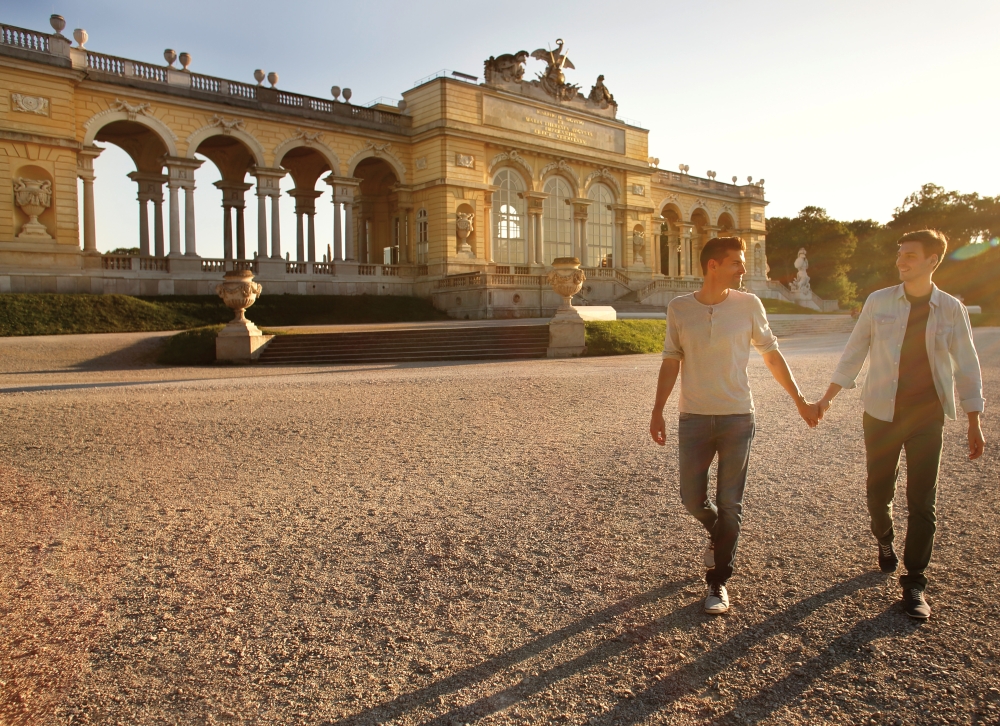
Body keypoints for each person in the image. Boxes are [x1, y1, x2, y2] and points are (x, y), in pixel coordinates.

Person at [817, 229, 985, 620]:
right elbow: (854, 350)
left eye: (910, 255)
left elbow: (968, 365)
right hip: (880, 413)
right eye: (900, 254)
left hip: (928, 416)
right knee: (878, 492)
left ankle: (915, 584)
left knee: (923, 501)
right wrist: (826, 398)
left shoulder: (950, 309)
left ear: (932, 261)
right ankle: (885, 539)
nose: (901, 261)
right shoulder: (878, 302)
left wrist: (974, 421)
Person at [649, 237, 820, 614]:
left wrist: (800, 400)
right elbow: (670, 360)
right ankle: (718, 534)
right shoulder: (679, 308)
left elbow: (772, 356)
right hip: (693, 416)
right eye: (736, 263)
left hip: (738, 417)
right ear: (712, 265)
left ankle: (718, 582)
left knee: (731, 502)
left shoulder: (749, 305)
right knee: (692, 499)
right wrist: (657, 409)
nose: (745, 270)